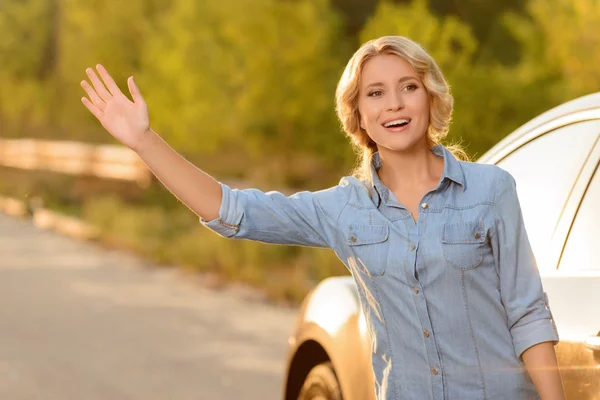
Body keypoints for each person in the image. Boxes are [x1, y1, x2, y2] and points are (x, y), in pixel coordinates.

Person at [80, 35, 565, 400]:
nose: (393, 103)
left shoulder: (491, 190)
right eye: (375, 93)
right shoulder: (344, 208)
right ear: (357, 113)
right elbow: (231, 210)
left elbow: (528, 313)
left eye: (408, 87)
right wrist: (145, 141)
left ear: (431, 97)